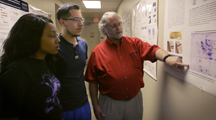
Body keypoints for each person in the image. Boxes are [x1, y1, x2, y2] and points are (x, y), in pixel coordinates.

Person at [84, 12, 189, 120]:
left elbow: (153, 50)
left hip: (135, 101)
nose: (118, 27)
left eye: (119, 24)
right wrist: (96, 105)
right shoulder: (97, 52)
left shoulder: (134, 43)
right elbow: (92, 81)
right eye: (113, 25)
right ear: (104, 29)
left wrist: (167, 58)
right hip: (111, 103)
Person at [0, 13, 62, 120]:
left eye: (56, 35)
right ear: (33, 38)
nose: (58, 40)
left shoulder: (44, 62)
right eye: (52, 36)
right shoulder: (16, 73)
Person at [55, 4, 91, 120]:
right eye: (76, 20)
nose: (81, 24)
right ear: (63, 22)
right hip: (63, 108)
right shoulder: (54, 47)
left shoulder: (83, 44)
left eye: (81, 19)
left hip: (83, 103)